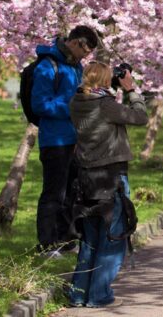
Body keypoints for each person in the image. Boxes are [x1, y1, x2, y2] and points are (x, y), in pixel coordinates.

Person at [68, 62, 148, 308]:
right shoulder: (106, 105)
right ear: (105, 81)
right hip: (112, 177)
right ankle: (99, 295)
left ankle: (79, 294)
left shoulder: (76, 102)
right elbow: (140, 117)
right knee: (113, 236)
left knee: (90, 238)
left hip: (86, 178)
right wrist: (131, 89)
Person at [32, 25, 100, 255]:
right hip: (54, 139)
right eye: (86, 51)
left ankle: (66, 239)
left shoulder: (75, 67)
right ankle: (47, 244)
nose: (86, 57)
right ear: (76, 42)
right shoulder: (47, 65)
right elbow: (40, 104)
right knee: (54, 193)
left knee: (73, 191)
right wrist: (71, 107)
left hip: (74, 138)